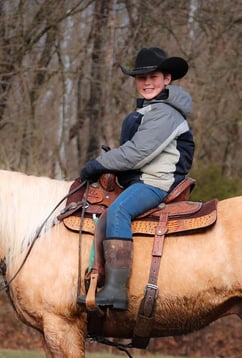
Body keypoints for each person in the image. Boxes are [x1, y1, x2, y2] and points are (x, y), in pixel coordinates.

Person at [78, 47, 195, 310]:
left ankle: (116, 290)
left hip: (155, 182)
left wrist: (97, 164)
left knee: (118, 211)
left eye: (153, 77)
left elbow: (137, 153)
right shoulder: (151, 110)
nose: (147, 83)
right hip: (141, 179)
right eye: (142, 78)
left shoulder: (165, 112)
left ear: (167, 79)